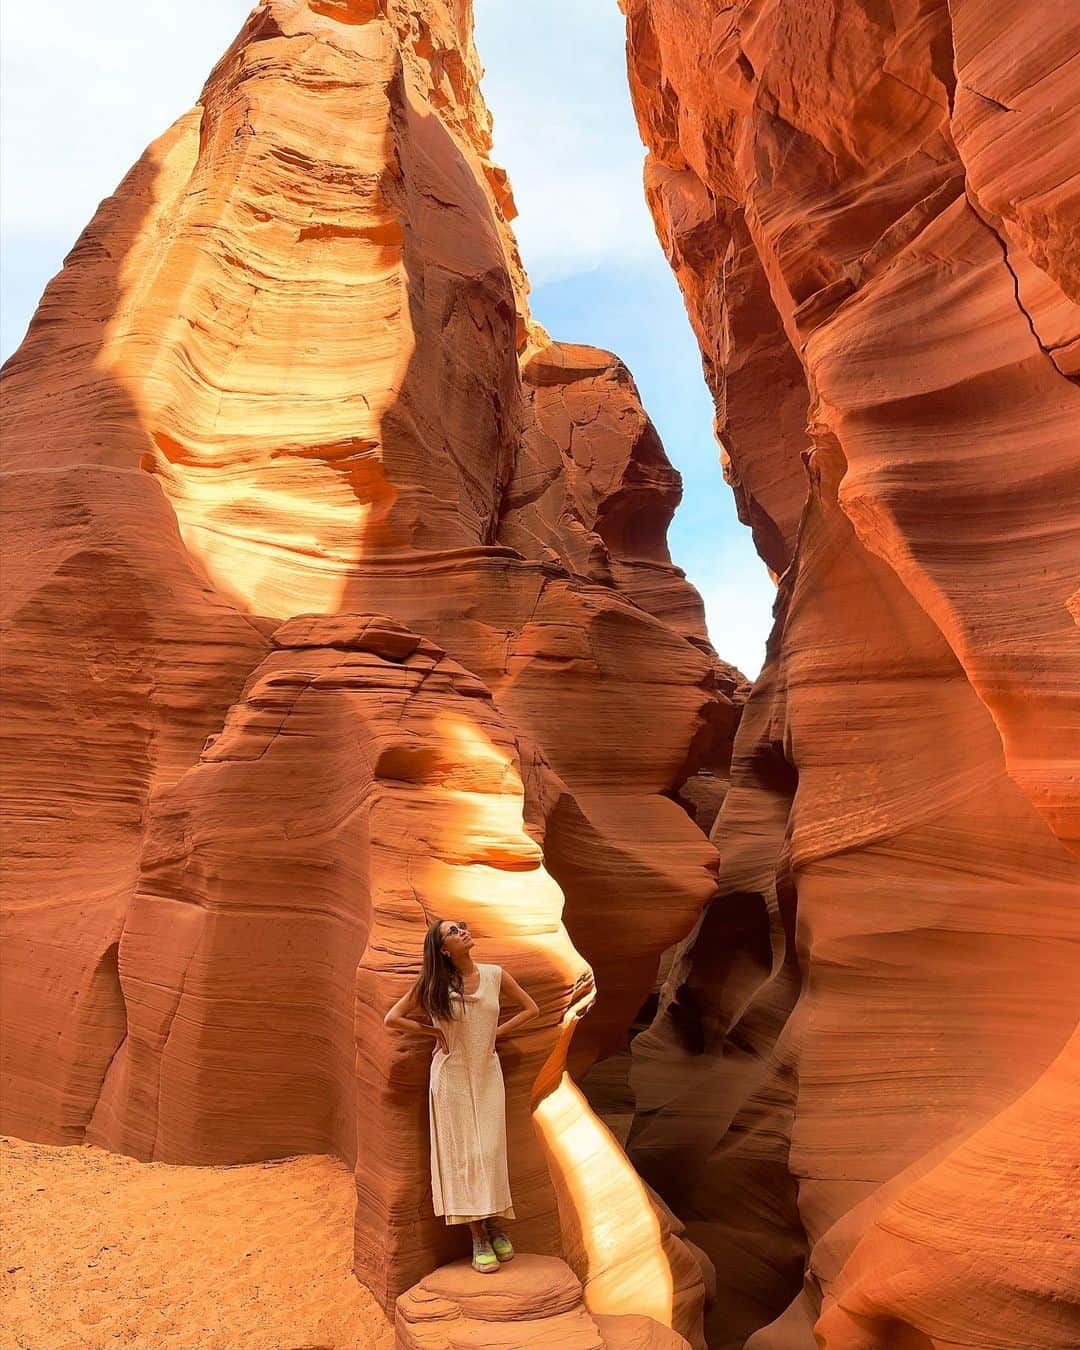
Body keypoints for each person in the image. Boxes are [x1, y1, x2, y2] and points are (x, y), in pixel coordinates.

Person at [383, 917, 540, 1274]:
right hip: (450, 1075)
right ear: (443, 949)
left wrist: (496, 1033)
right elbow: (392, 1018)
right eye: (452, 932)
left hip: (487, 1072)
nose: (462, 932)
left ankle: (493, 1222)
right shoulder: (433, 984)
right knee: (462, 1155)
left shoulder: (496, 975)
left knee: (489, 1150)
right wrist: (432, 1033)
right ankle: (479, 1237)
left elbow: (532, 1009)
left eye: (462, 927)